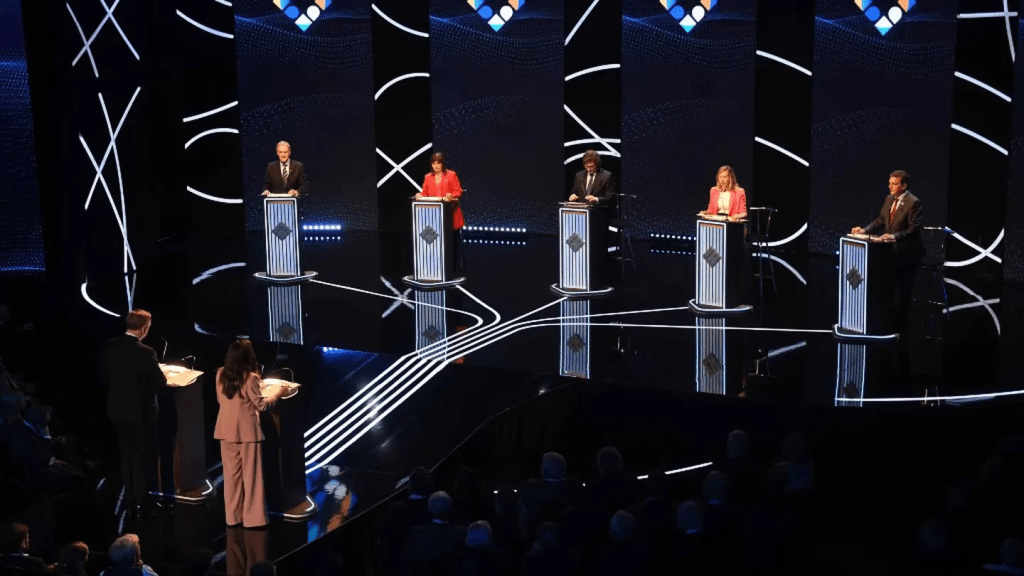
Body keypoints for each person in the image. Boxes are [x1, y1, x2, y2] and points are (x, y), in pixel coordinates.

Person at [214, 339, 287, 529]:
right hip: (247, 433)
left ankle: (233, 517)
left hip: (225, 431)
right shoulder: (250, 378)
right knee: (252, 477)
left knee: (231, 477)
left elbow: (222, 400)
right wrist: (278, 393)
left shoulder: (220, 373)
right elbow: (261, 405)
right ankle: (254, 520)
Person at [103, 310, 167, 519]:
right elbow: (160, 383)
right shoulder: (145, 352)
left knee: (126, 454)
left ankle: (129, 497)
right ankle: (142, 501)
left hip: (117, 410)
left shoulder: (111, 346)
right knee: (142, 457)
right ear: (144, 328)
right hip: (141, 413)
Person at [851, 170, 924, 333]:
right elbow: (880, 220)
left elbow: (914, 229)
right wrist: (864, 230)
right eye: (889, 183)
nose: (889, 186)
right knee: (888, 288)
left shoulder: (913, 202)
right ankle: (887, 325)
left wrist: (893, 236)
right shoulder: (889, 199)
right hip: (889, 253)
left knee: (904, 292)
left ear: (903, 186)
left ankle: (902, 330)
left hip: (907, 253)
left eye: (894, 184)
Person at [417, 151, 465, 230]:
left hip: (450, 214)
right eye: (433, 163)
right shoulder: (428, 177)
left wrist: (452, 196)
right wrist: (420, 195)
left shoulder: (451, 174)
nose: (436, 166)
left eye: (438, 163)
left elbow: (459, 191)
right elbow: (425, 193)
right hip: (434, 215)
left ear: (443, 164)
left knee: (453, 237)